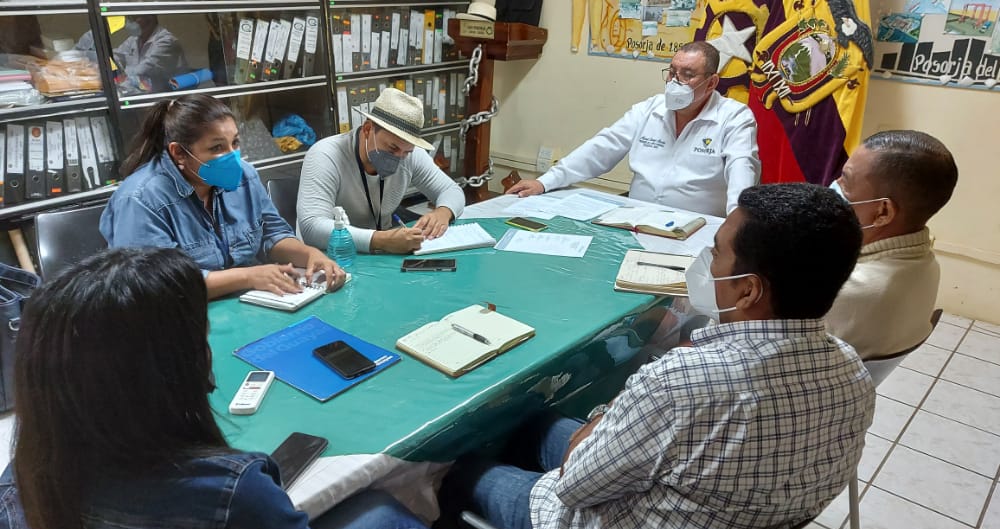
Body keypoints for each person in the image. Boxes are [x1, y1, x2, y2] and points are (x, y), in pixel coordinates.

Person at [439, 184, 874, 529]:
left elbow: (573, 486)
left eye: (716, 252)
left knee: (456, 470)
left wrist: (610, 411)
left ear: (748, 289)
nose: (706, 261)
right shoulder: (852, 371)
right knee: (532, 426)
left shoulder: (682, 379)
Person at [0, 247, 452, 529]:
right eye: (200, 336)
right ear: (174, 367)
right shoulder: (229, 491)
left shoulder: (21, 476)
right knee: (387, 516)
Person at [100, 94, 346, 299]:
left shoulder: (244, 177)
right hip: (181, 317)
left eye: (235, 143)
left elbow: (272, 235)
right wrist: (248, 277)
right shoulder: (140, 200)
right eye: (217, 147)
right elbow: (156, 285)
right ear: (179, 153)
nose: (232, 156)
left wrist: (310, 255)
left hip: (247, 305)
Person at [506, 42, 760, 217]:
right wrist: (544, 182)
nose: (675, 82)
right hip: (637, 221)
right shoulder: (650, 109)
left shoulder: (734, 118)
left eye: (687, 74)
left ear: (711, 83)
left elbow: (742, 173)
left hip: (696, 228)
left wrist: (736, 225)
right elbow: (601, 149)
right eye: (672, 72)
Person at [826, 130, 958, 358]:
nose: (835, 185)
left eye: (846, 180)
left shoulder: (846, 291)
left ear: (883, 212)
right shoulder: (927, 265)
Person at [298, 88, 466, 254]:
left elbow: (451, 190)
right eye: (392, 148)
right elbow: (312, 227)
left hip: (380, 250)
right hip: (336, 255)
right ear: (367, 129)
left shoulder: (409, 155)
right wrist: (382, 240)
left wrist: (443, 212)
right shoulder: (326, 155)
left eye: (406, 152)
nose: (398, 157)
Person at [112, 15, 189, 92]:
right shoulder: (134, 39)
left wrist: (119, 80)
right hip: (137, 90)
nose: (129, 23)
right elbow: (117, 55)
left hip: (162, 95)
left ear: (150, 19)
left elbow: (143, 70)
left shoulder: (166, 41)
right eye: (129, 18)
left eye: (134, 18)